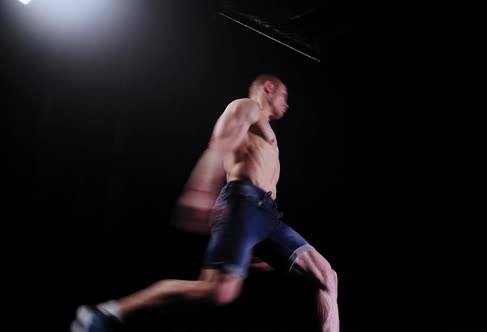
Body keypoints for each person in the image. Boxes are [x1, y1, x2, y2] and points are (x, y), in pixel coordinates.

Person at [71, 74, 339, 332]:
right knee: (218, 291)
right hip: (242, 202)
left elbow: (268, 185)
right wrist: (201, 187)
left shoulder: (267, 133)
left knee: (326, 277)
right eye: (284, 95)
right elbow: (221, 142)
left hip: (268, 217)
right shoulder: (246, 106)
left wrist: (263, 242)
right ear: (268, 87)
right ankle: (106, 313)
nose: (287, 103)